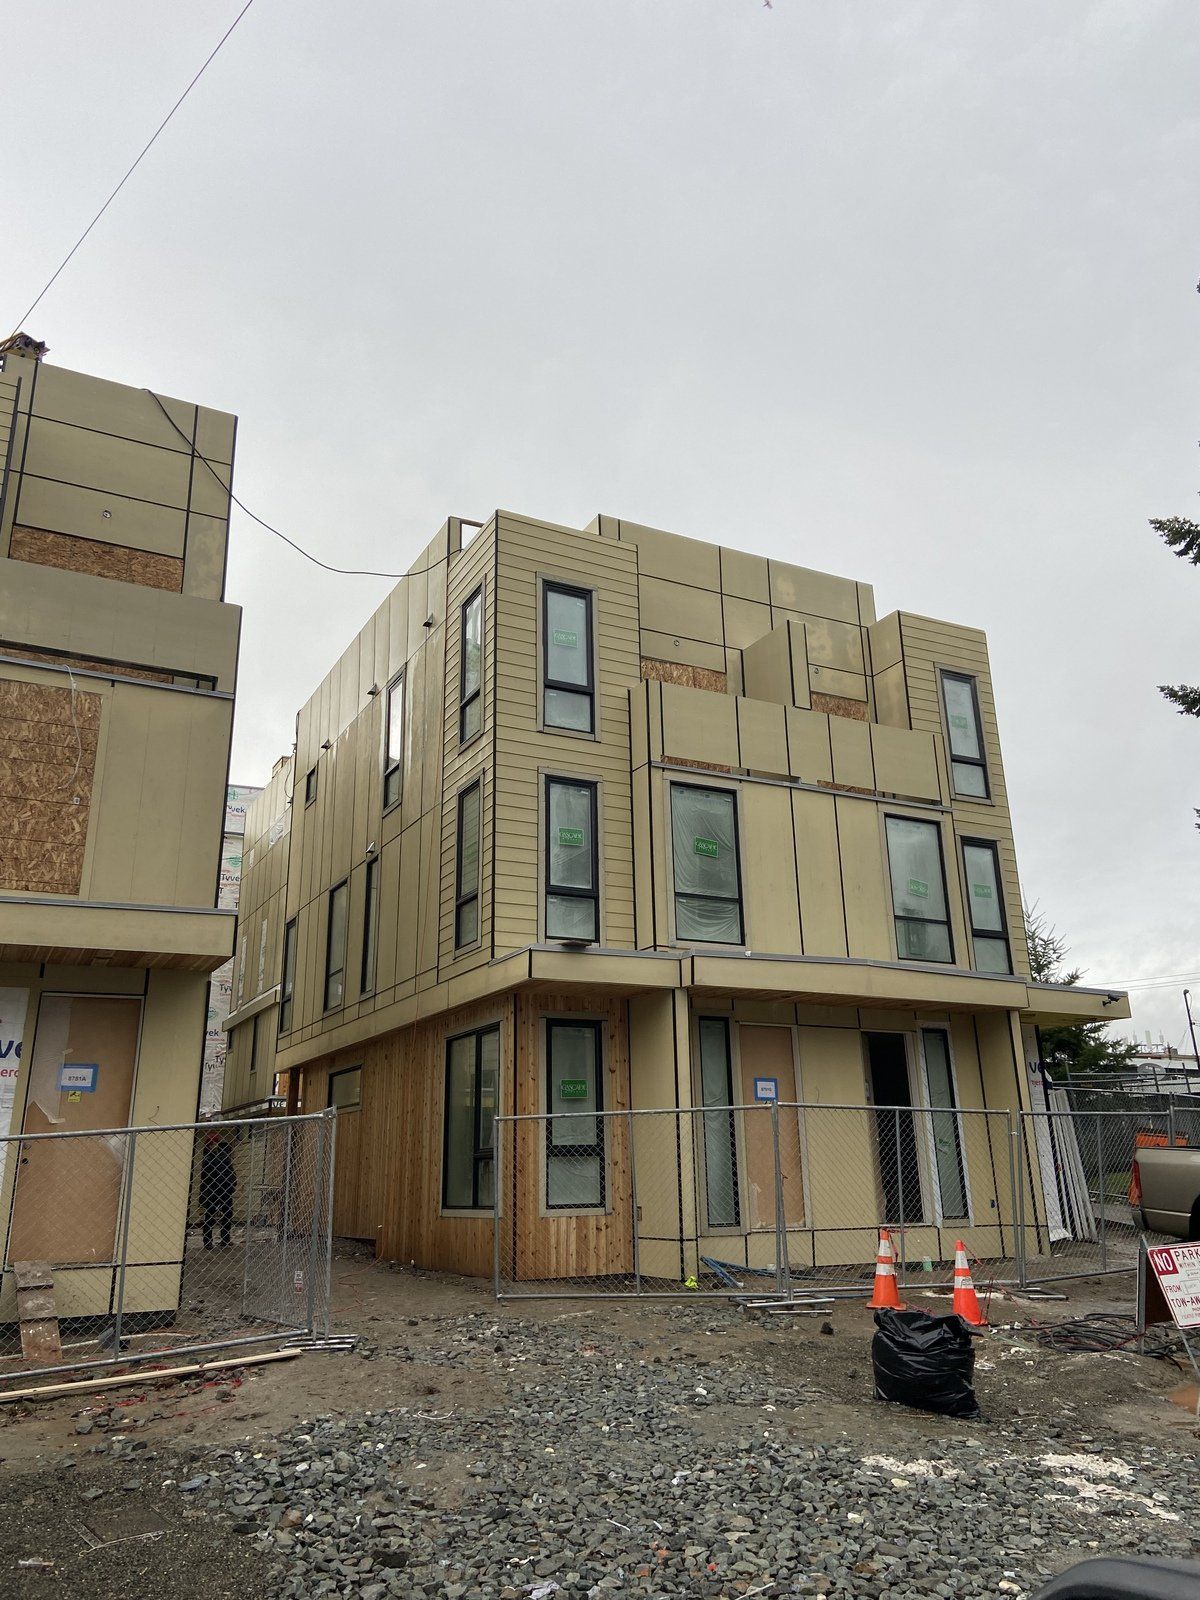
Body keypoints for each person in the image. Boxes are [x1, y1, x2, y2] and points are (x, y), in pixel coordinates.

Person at [199, 1129, 236, 1249]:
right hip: (213, 1190)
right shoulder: (207, 1159)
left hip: (225, 1189)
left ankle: (225, 1238)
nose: (214, 1145)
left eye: (216, 1143)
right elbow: (206, 1176)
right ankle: (208, 1240)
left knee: (227, 1213)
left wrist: (232, 1183)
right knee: (210, 1215)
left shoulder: (223, 1157)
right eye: (212, 1143)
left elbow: (230, 1171)